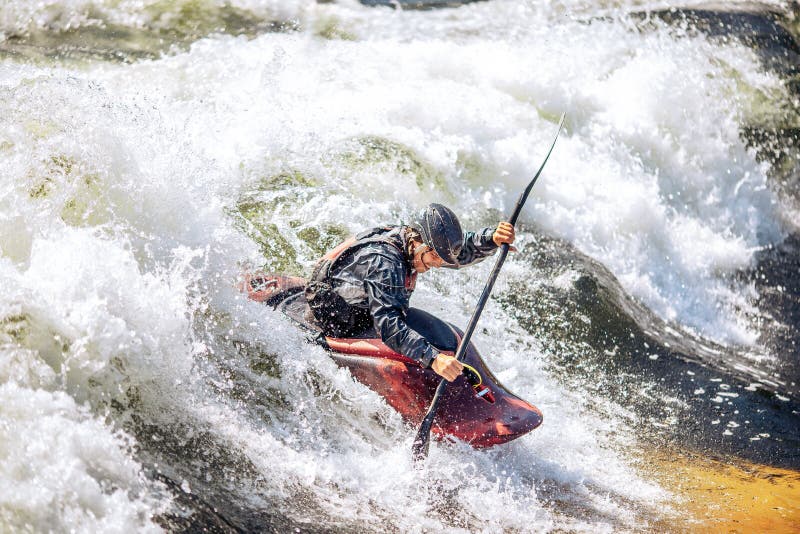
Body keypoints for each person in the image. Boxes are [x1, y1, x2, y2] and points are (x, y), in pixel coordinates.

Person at [304, 204, 515, 383]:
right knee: (419, 354)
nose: (437, 264)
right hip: (340, 319)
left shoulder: (413, 241)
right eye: (434, 256)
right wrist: (433, 358)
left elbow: (455, 252)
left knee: (440, 336)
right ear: (420, 243)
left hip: (367, 304)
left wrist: (490, 239)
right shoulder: (386, 263)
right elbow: (388, 325)